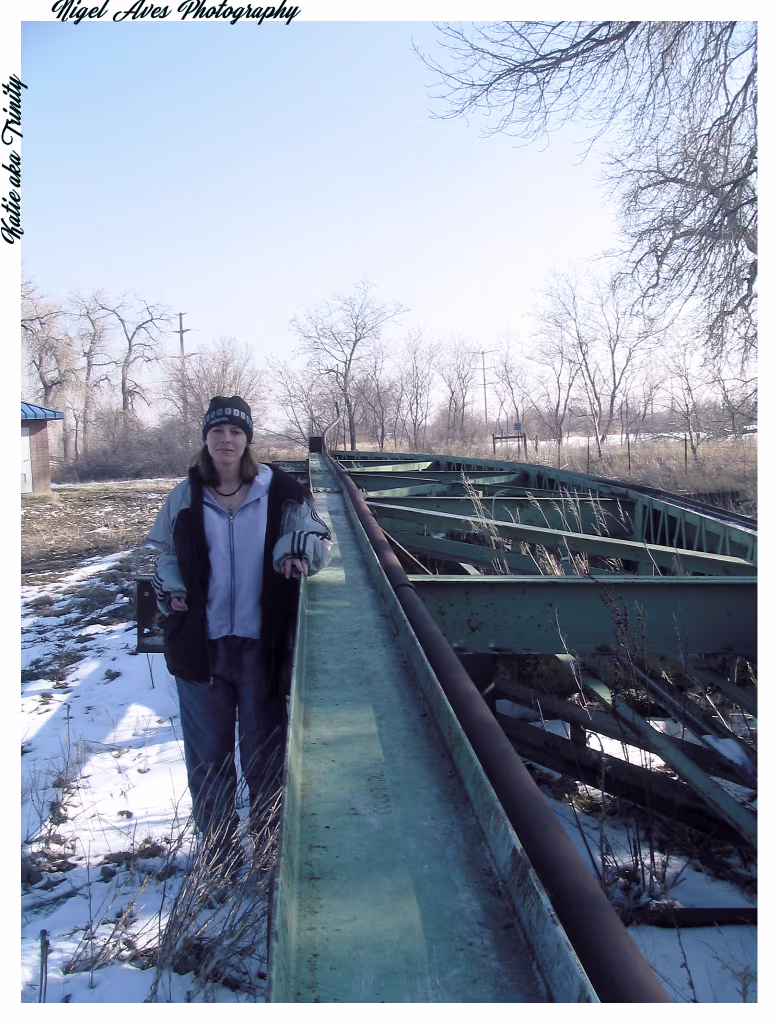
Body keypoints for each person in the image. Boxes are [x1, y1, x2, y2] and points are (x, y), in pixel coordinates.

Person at [147, 395, 331, 869]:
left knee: (263, 757)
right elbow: (164, 555)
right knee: (208, 762)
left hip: (260, 650)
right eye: (217, 431)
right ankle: (220, 858)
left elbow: (317, 540)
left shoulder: (281, 490)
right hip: (201, 650)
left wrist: (296, 550)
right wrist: (172, 586)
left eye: (235, 431)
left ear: (247, 439)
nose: (226, 440)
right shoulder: (185, 495)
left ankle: (270, 856)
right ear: (205, 439)